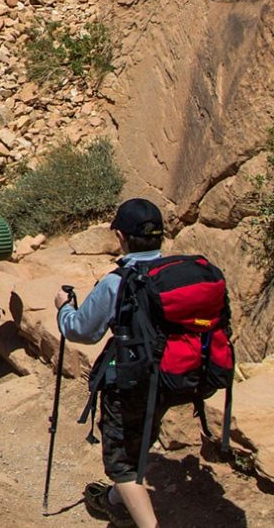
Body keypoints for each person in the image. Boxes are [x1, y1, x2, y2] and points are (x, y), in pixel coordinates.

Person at [56, 199, 171, 528]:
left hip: (130, 381)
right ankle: (115, 501)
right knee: (141, 436)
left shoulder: (116, 282)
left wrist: (63, 307)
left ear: (121, 236)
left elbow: (81, 331)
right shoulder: (172, 273)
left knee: (121, 462)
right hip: (170, 376)